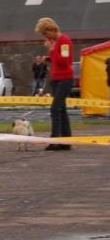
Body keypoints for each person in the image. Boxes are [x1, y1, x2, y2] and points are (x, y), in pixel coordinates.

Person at [35, 17, 73, 151]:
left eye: (46, 34)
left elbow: (65, 62)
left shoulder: (64, 41)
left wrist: (52, 50)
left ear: (52, 29)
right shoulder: (55, 42)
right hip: (56, 79)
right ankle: (66, 141)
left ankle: (55, 141)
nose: (46, 37)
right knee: (61, 110)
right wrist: (48, 58)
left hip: (65, 79)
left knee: (55, 109)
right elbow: (57, 59)